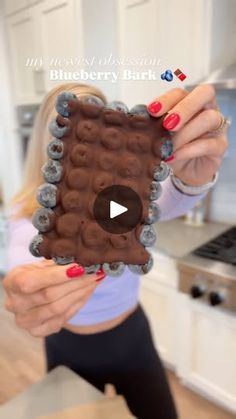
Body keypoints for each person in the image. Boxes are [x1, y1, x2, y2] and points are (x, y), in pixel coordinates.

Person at [3, 82, 228, 419]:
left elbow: (174, 196)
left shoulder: (124, 197)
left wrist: (194, 178)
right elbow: (22, 257)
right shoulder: (25, 212)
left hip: (132, 337)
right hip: (68, 346)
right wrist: (28, 285)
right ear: (46, 139)